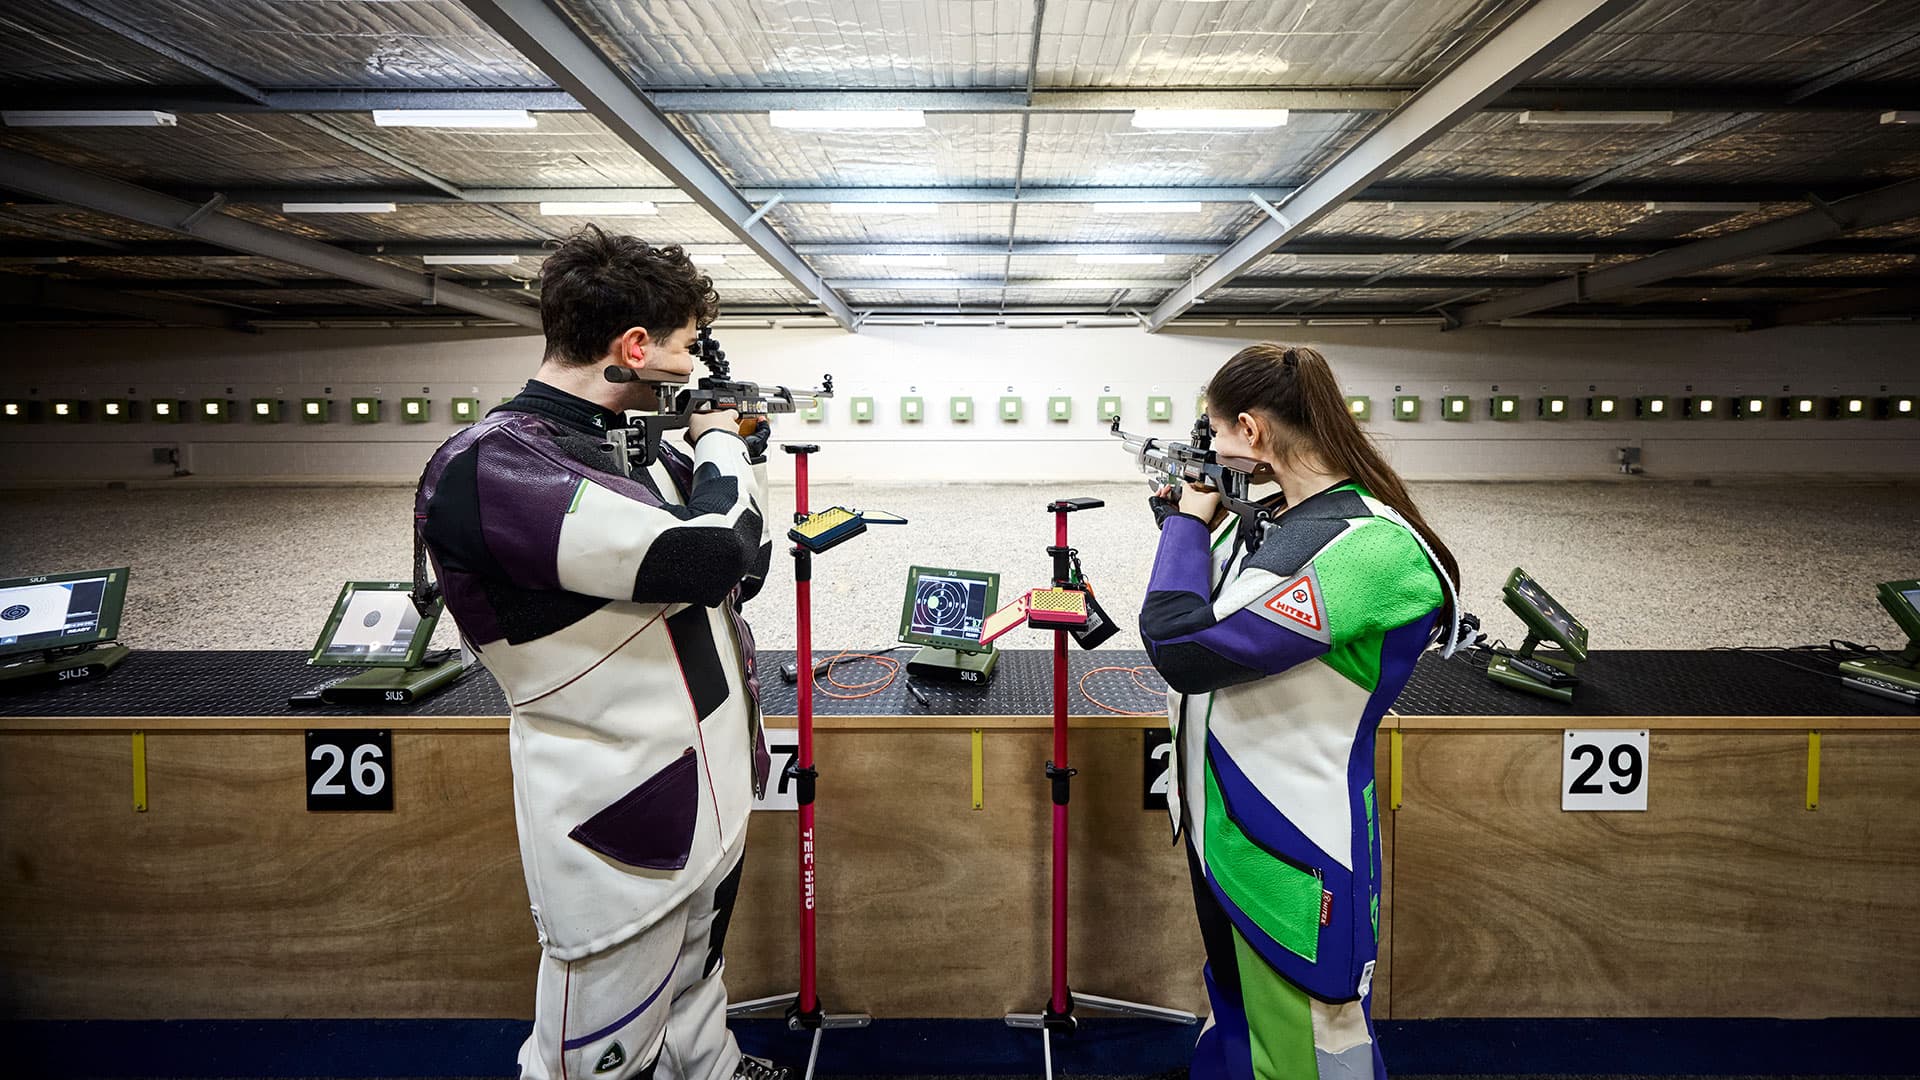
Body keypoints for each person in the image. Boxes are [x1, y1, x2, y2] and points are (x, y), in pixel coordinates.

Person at [414, 225, 787, 1080]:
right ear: (633, 347)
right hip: (620, 815)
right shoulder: (496, 467)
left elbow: (745, 569)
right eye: (688, 349)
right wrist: (725, 445)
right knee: (595, 1054)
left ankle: (711, 1067)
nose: (693, 370)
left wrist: (722, 459)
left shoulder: (628, 446)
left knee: (696, 980)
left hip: (709, 786)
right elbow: (708, 557)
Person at [1138, 344, 1466, 1080]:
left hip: (1294, 844)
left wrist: (1183, 525)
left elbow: (1183, 646)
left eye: (1216, 432)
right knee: (1238, 1014)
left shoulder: (1368, 549)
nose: (1211, 451)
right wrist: (1190, 521)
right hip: (1221, 829)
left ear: (1251, 432)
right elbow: (1216, 610)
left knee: (1310, 1049)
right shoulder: (1276, 517)